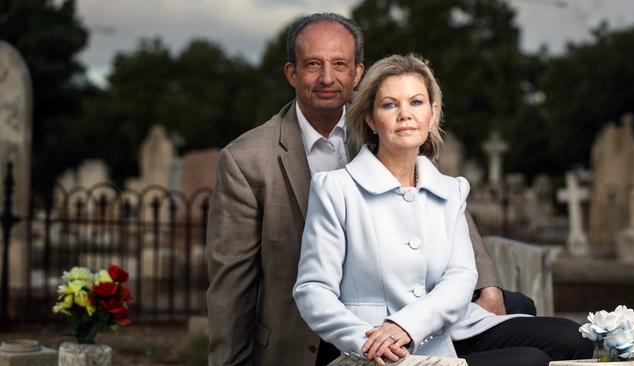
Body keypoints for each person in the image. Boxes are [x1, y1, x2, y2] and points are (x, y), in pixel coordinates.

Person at [207, 13, 533, 366]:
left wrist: (488, 284)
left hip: (403, 314)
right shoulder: (246, 160)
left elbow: (447, 205)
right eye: (313, 65)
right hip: (307, 335)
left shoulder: (387, 125)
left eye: (340, 64)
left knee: (522, 311)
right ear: (292, 73)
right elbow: (231, 284)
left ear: (358, 73)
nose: (327, 78)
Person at [292, 54, 593, 366]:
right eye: (390, 104)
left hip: (448, 329)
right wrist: (365, 340)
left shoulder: (450, 190)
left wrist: (408, 325)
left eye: (416, 102)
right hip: (378, 343)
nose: (405, 114)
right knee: (528, 361)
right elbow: (313, 290)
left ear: (432, 113)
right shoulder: (336, 189)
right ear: (370, 118)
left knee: (574, 339)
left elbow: (461, 276)